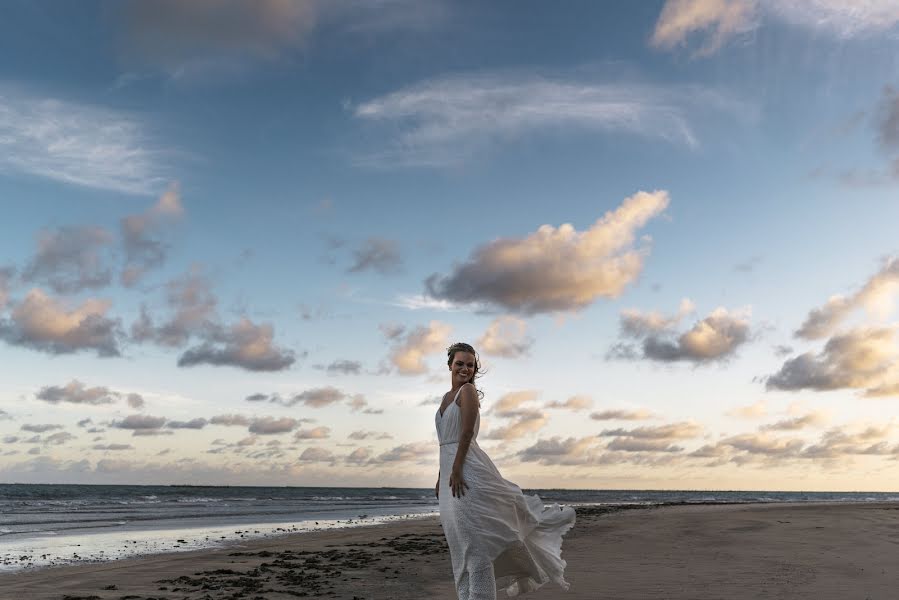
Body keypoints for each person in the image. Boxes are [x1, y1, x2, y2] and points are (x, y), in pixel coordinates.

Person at [435, 342, 576, 599]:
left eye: (470, 364)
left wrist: (456, 470)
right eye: (460, 363)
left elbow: (466, 434)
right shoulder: (445, 398)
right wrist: (440, 476)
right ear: (449, 365)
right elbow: (445, 442)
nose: (465, 369)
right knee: (459, 548)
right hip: (450, 475)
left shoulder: (467, 392)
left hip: (466, 474)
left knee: (475, 547)